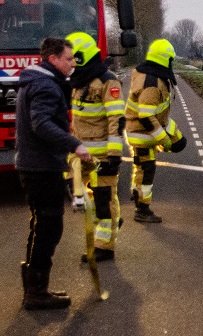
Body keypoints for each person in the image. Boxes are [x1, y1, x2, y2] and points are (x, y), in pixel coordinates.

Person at [16, 37, 92, 310]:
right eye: (69, 59)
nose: (73, 63)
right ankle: (36, 292)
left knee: (40, 225)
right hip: (41, 167)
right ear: (53, 60)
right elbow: (41, 124)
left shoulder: (37, 82)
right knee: (49, 227)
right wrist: (75, 144)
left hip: (36, 165)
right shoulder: (46, 86)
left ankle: (34, 289)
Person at [66, 32, 124, 262]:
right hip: (80, 155)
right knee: (76, 192)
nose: (71, 63)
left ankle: (104, 246)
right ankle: (112, 222)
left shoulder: (108, 81)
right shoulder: (78, 82)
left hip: (102, 157)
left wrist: (114, 155)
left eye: (74, 58)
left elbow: (116, 120)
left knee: (103, 201)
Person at [124, 38, 186, 223]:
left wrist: (172, 137)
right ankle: (142, 208)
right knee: (146, 168)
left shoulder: (151, 74)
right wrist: (163, 140)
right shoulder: (151, 83)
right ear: (163, 59)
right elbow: (146, 116)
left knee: (144, 164)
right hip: (141, 132)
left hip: (147, 128)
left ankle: (137, 193)